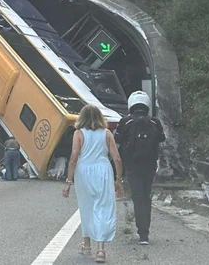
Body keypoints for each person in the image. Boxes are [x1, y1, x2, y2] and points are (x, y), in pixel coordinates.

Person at [62, 105, 124, 263]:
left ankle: (87, 245)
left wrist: (68, 182)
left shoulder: (79, 134)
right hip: (103, 170)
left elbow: (74, 157)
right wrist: (119, 180)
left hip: (84, 171)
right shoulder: (107, 133)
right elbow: (116, 158)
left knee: (86, 207)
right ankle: (101, 250)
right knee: (103, 208)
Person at [115, 91, 166, 245]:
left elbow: (117, 138)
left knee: (137, 196)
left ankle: (141, 233)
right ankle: (146, 232)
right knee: (146, 195)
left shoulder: (125, 121)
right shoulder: (155, 122)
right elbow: (162, 138)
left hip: (132, 164)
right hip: (150, 164)